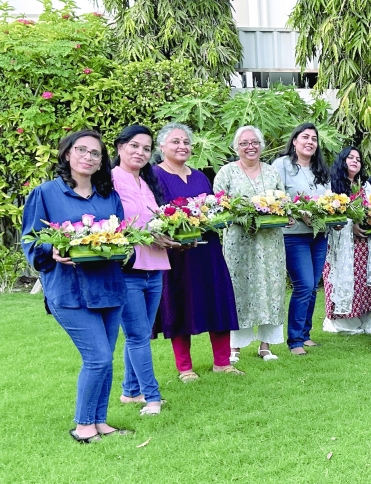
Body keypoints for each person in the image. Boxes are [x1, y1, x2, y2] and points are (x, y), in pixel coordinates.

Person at [21, 130, 130, 442]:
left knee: (106, 358)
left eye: (95, 153)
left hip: (109, 285)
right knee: (98, 357)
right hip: (69, 290)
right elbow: (30, 239)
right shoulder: (45, 193)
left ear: (101, 161)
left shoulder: (109, 195)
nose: (88, 157)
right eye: (81, 150)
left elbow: (121, 236)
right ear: (67, 154)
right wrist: (50, 251)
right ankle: (83, 427)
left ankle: (100, 421)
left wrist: (124, 247)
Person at [153, 123, 242, 381]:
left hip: (208, 249)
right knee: (180, 303)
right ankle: (185, 368)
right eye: (175, 142)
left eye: (186, 142)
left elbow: (213, 208)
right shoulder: (154, 176)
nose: (182, 146)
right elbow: (155, 215)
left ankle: (223, 362)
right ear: (161, 147)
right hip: (177, 253)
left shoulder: (201, 176)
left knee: (218, 299)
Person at [111, 125, 174, 416]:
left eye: (146, 149)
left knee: (141, 333)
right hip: (128, 270)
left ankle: (130, 391)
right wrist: (146, 235)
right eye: (134, 146)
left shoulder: (148, 182)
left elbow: (157, 222)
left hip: (155, 266)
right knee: (137, 335)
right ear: (120, 147)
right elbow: (111, 225)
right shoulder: (109, 181)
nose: (140, 152)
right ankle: (152, 398)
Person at [214, 125, 287, 362]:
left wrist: (283, 212)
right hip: (239, 243)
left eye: (254, 142)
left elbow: (283, 202)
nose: (250, 147)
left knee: (270, 288)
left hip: (270, 243)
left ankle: (265, 345)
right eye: (244, 143)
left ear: (261, 145)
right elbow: (217, 205)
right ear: (237, 147)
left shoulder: (272, 172)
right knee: (238, 290)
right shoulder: (226, 172)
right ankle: (234, 347)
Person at [272, 123, 332, 355]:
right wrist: (299, 213)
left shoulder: (320, 169)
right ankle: (295, 340)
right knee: (304, 285)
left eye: (314, 139)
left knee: (314, 285)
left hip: (318, 234)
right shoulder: (282, 165)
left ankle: (305, 335)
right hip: (293, 235)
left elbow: (328, 199)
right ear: (294, 140)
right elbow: (275, 196)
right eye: (305, 137)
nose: (310, 142)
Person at [323, 146, 371, 335]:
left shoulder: (365, 186)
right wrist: (351, 224)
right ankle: (343, 321)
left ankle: (363, 316)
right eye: (350, 158)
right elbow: (330, 213)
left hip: (364, 243)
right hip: (342, 245)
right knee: (344, 278)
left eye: (358, 159)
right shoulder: (333, 185)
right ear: (342, 161)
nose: (355, 161)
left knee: (362, 280)